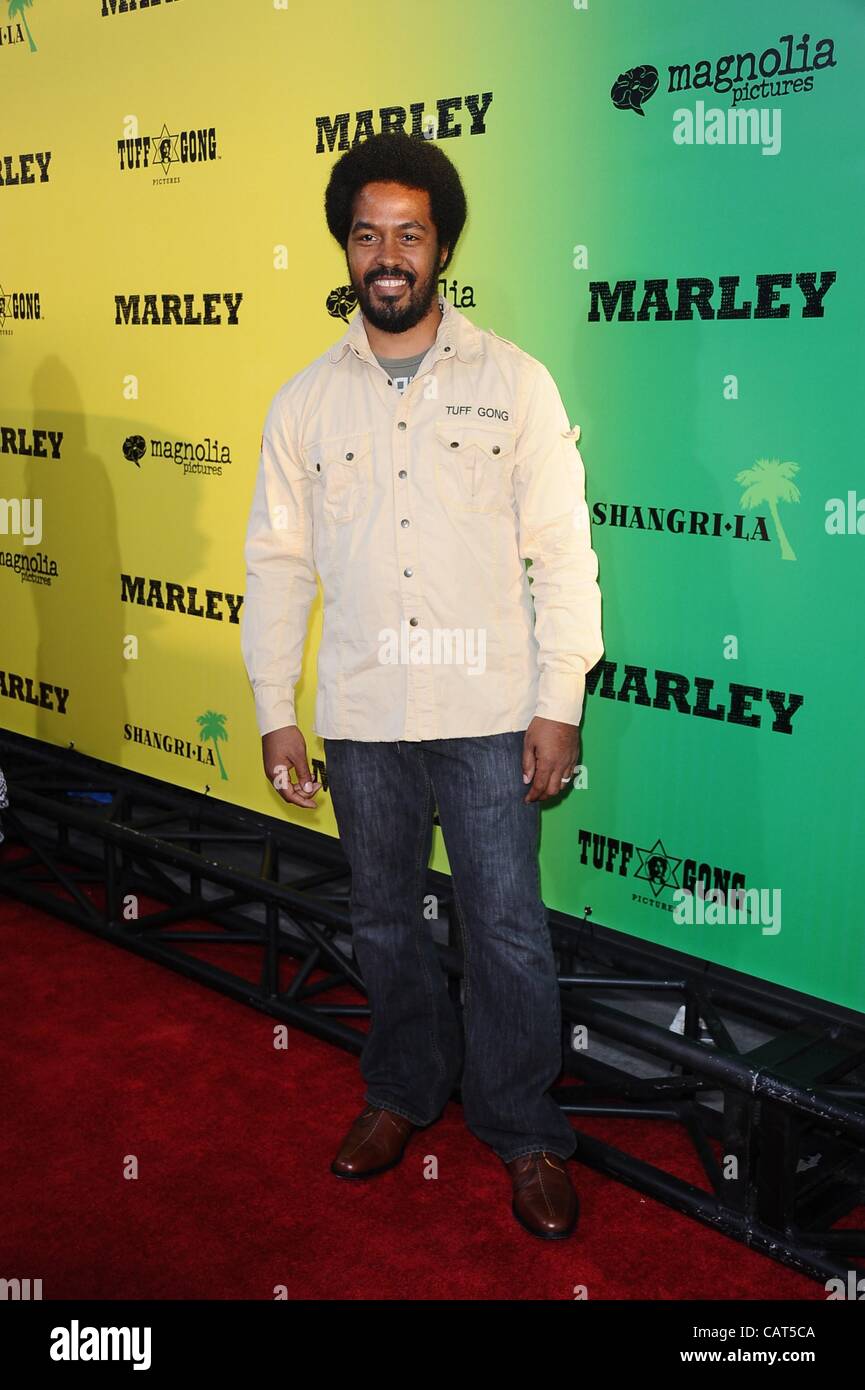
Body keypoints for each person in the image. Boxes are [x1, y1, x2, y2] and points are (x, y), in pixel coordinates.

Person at [240, 131, 604, 1239]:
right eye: (366, 235)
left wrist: (559, 702)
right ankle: (401, 1091)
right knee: (386, 922)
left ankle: (524, 1127)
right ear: (345, 251)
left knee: (504, 931)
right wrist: (274, 708)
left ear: (440, 245)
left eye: (408, 233)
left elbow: (561, 550)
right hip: (362, 716)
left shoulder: (516, 382)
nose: (386, 254)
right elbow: (277, 563)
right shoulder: (304, 402)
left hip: (492, 715)